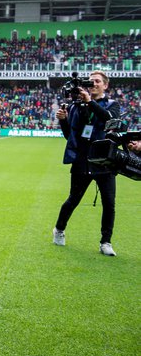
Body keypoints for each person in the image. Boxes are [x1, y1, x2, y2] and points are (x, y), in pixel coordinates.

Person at [53, 71, 120, 256]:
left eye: (97, 81)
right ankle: (59, 229)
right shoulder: (76, 106)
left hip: (105, 160)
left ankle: (105, 242)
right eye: (91, 81)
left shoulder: (113, 105)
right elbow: (70, 136)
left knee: (109, 203)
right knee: (73, 199)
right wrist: (63, 121)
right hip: (82, 159)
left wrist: (89, 101)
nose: (94, 83)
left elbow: (108, 120)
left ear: (105, 85)